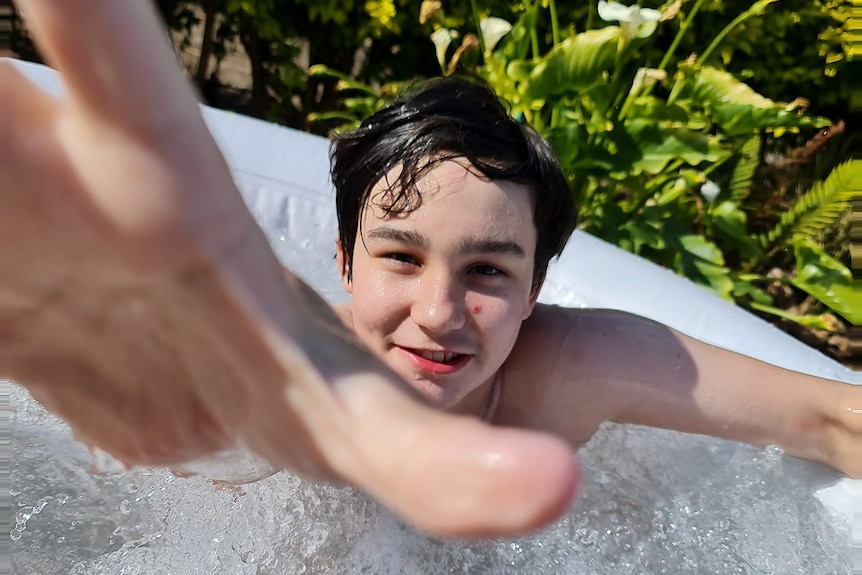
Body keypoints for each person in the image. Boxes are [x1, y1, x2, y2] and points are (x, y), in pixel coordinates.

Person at [1, 0, 857, 540]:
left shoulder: (576, 370)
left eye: (488, 270)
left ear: (537, 288)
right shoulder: (287, 380)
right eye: (401, 257)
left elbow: (834, 419)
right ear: (341, 258)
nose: (439, 310)